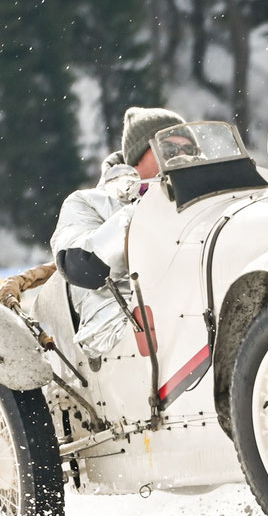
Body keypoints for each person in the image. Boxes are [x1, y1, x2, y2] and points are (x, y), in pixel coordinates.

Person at [50, 106, 185, 357]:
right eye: (170, 149)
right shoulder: (86, 202)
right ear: (136, 158)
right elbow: (81, 264)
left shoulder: (197, 202)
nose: (181, 157)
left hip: (190, 308)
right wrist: (144, 208)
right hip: (119, 334)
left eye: (190, 150)